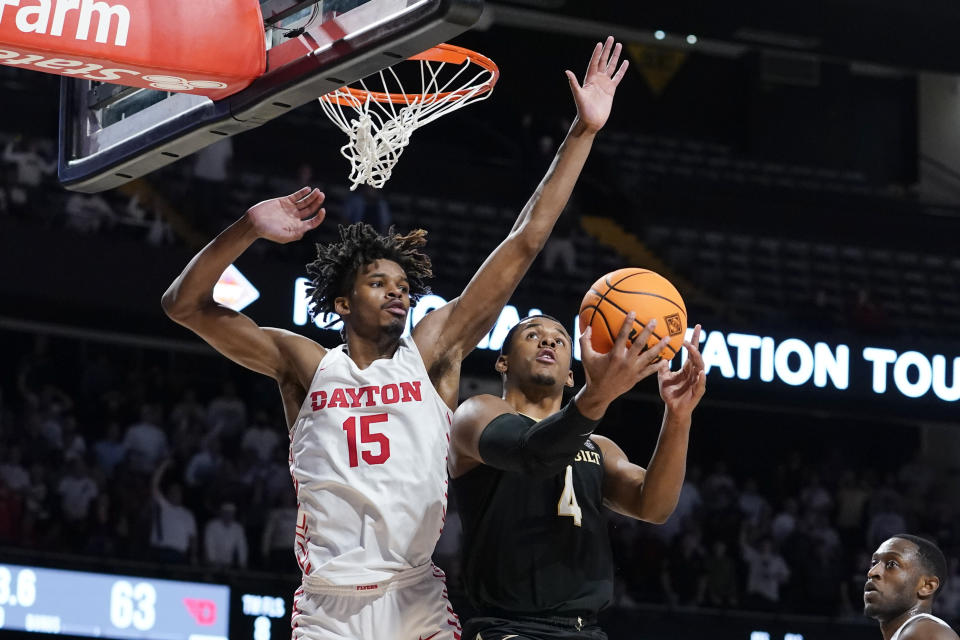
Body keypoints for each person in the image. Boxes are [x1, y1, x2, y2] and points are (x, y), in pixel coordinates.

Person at [161, 36, 629, 640]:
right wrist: (247, 229)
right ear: (340, 303)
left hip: (413, 596)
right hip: (329, 605)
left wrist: (582, 133)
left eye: (403, 284)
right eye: (378, 282)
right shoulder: (304, 364)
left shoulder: (431, 355)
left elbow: (524, 241)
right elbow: (183, 306)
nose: (398, 292)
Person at [448, 312, 705, 638]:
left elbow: (654, 507)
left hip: (586, 630)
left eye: (560, 338)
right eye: (532, 334)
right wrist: (600, 393)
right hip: (509, 627)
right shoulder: (477, 413)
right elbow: (533, 453)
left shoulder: (599, 447)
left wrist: (678, 416)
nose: (548, 340)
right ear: (503, 363)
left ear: (570, 377)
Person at [864, 534, 959, 640]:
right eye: (874, 563)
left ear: (927, 586)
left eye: (892, 564)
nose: (872, 572)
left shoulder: (926, 632)